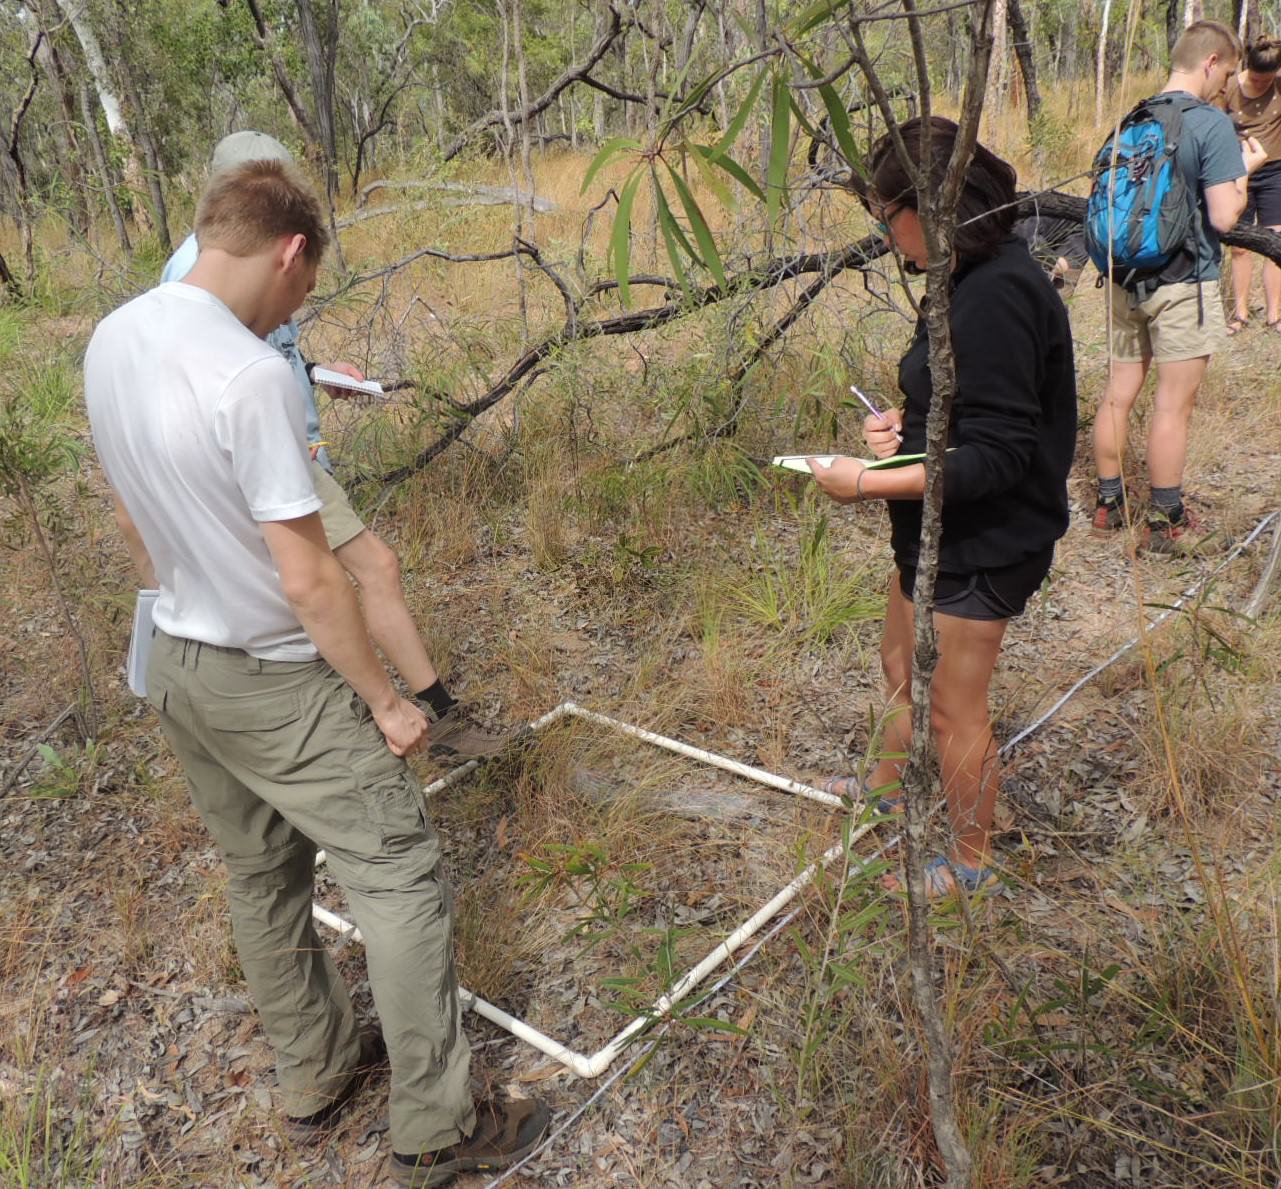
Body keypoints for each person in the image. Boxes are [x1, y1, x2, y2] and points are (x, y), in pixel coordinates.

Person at [86, 159, 549, 1187]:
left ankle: (317, 1071)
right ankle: (437, 1122)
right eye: (308, 284)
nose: (301, 308)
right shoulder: (248, 375)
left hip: (173, 655)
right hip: (274, 678)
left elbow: (128, 509)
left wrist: (182, 592)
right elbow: (311, 577)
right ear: (290, 252)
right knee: (397, 870)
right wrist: (386, 698)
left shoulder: (115, 335)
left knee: (261, 875)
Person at [162, 130, 509, 760]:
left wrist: (319, 373)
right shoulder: (199, 270)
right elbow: (222, 379)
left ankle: (397, 716)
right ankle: (418, 717)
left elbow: (262, 350)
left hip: (293, 450)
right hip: (271, 460)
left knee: (345, 581)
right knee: (364, 571)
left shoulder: (240, 260)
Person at [811, 117, 1077, 898]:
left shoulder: (996, 295)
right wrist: (900, 432)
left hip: (984, 540)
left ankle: (969, 862)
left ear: (928, 208)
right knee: (898, 666)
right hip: (933, 527)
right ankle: (887, 788)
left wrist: (863, 480)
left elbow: (994, 459)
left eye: (886, 214)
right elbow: (960, 412)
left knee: (954, 707)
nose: (883, 233)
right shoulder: (962, 274)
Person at [1091, 21, 1268, 553]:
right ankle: (1166, 521)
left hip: (1123, 279)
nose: (1227, 86)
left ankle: (1108, 505)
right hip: (1182, 284)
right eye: (1228, 73)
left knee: (1119, 395)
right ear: (1211, 62)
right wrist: (1247, 171)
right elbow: (1223, 217)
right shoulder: (1210, 124)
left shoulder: (1131, 118)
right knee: (1173, 405)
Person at [1219, 37, 1281, 333]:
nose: (1260, 84)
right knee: (1240, 246)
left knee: (1275, 242)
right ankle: (1240, 313)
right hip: (1239, 170)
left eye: (1266, 80)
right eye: (1256, 78)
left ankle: (1274, 315)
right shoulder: (1230, 86)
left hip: (1275, 172)